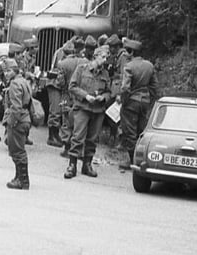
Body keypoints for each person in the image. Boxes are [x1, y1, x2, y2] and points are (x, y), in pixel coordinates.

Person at [65, 46, 113, 179]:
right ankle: (72, 165)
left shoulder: (105, 74)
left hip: (98, 110)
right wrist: (86, 96)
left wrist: (103, 98)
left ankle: (87, 165)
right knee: (78, 137)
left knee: (92, 139)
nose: (104, 60)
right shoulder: (81, 69)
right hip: (82, 108)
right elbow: (72, 87)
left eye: (106, 58)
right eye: (102, 57)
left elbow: (109, 92)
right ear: (96, 56)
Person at [117, 39, 158, 170]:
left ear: (132, 52)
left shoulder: (129, 66)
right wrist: (150, 101)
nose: (127, 53)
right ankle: (143, 159)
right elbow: (154, 87)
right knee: (141, 131)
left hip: (131, 103)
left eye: (128, 51)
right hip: (144, 102)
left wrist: (124, 101)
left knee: (130, 133)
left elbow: (125, 88)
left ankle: (133, 160)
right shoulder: (149, 66)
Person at [1, 58, 33, 190]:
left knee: (17, 151)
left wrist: (11, 122)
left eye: (8, 71)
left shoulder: (14, 84)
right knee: (18, 150)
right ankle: (19, 176)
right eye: (5, 71)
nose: (6, 74)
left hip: (18, 121)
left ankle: (23, 180)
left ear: (14, 71)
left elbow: (16, 107)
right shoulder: (24, 81)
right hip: (25, 119)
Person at [54, 40, 82, 156]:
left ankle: (67, 147)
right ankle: (78, 149)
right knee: (79, 121)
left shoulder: (62, 64)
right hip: (80, 95)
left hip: (67, 95)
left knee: (66, 121)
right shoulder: (83, 61)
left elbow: (60, 82)